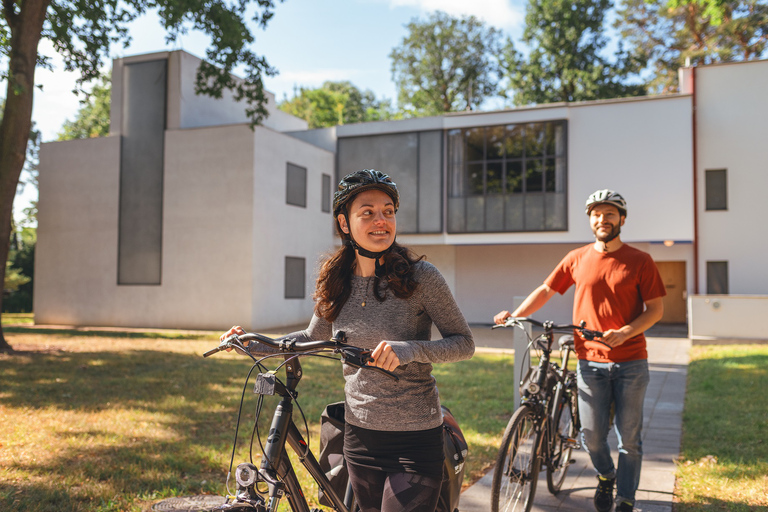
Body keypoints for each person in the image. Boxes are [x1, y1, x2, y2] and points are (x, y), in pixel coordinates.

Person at [223, 169, 474, 512]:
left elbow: (464, 342)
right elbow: (312, 338)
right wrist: (254, 344)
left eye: (388, 211)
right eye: (367, 212)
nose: (381, 220)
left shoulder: (422, 279)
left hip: (416, 438)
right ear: (345, 223)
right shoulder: (337, 281)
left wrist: (410, 350)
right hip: (360, 438)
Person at [493, 189, 665, 512]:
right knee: (591, 437)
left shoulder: (641, 261)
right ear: (590, 220)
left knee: (630, 440)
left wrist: (626, 331)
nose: (603, 219)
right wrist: (514, 315)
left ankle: (626, 498)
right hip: (590, 363)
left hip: (631, 363)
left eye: (610, 214)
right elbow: (547, 289)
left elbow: (655, 309)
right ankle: (606, 475)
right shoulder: (577, 258)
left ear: (622, 220)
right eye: (597, 214)